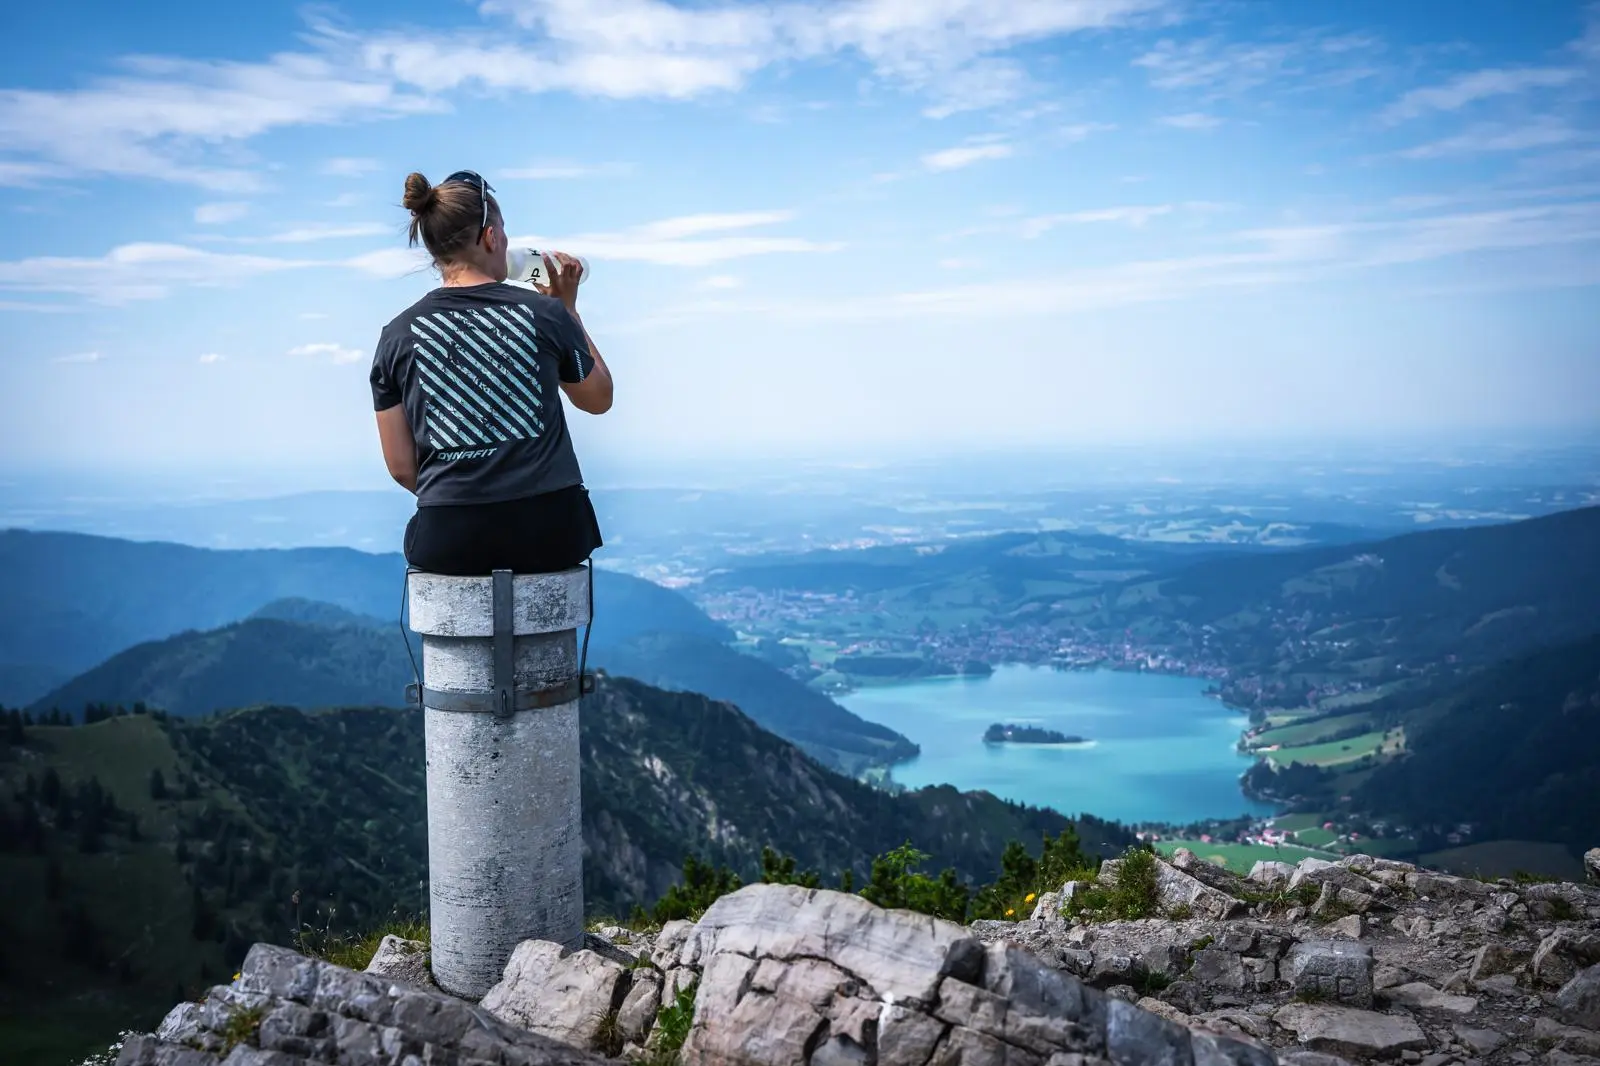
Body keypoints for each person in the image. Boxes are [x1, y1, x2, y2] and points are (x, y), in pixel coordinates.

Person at [369, 170, 613, 576]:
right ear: (490, 237)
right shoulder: (544, 314)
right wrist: (569, 310)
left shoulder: (397, 335)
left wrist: (465, 497)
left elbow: (401, 466)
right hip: (551, 534)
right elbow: (598, 398)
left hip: (448, 538)